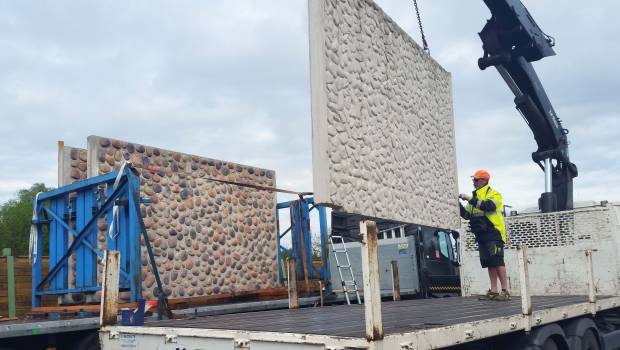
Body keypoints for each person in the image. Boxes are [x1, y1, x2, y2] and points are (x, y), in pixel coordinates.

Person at [459, 169, 510, 301]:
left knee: (498, 261)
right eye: (473, 180)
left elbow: (489, 206)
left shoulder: (493, 194)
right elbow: (466, 215)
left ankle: (505, 291)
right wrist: (457, 204)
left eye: (475, 180)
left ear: (483, 180)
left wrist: (470, 199)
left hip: (494, 233)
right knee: (489, 262)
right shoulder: (475, 197)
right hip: (482, 235)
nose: (473, 182)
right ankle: (493, 291)